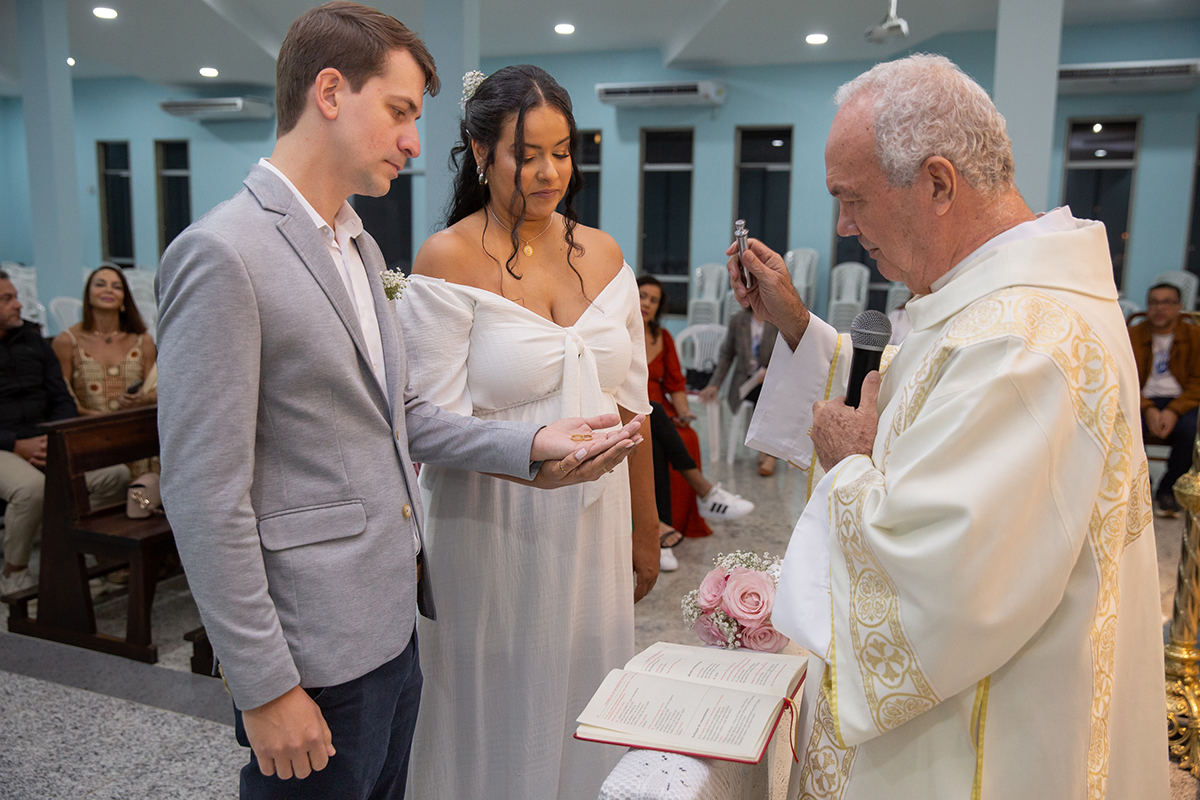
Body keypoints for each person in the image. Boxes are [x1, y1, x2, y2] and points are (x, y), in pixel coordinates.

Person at [156, 8, 641, 799]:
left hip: (392, 630)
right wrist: (265, 686)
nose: (415, 142)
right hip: (312, 646)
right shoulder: (223, 253)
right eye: (400, 111)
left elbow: (400, 418)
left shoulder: (357, 245)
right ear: (330, 93)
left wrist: (531, 446)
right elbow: (203, 495)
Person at [730, 55, 1167, 798]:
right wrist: (797, 325)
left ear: (937, 183)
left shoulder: (1025, 342)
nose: (843, 227)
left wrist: (848, 470)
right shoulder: (994, 302)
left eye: (853, 199)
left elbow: (942, 576)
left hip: (987, 744)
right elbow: (922, 393)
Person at [398, 64, 654, 800]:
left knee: (584, 693)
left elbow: (634, 405)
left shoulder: (604, 254)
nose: (550, 173)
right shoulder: (448, 258)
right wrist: (532, 459)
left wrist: (645, 528)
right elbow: (427, 427)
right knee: (495, 704)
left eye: (562, 152)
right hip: (490, 526)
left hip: (593, 523)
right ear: (482, 154)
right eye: (528, 154)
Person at [0, 270, 130, 597]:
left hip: (44, 439)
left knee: (115, 475)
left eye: (16, 296)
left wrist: (53, 437)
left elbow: (61, 397)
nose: (19, 305)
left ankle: (86, 556)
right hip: (5, 446)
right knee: (32, 489)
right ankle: (14, 574)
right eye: (7, 299)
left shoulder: (32, 340)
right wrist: (15, 444)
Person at [638, 275, 754, 548]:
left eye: (654, 300)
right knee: (653, 437)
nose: (647, 304)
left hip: (659, 406)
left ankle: (681, 519)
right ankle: (702, 495)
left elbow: (675, 383)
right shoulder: (618, 332)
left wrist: (683, 411)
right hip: (634, 405)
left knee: (688, 436)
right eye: (642, 296)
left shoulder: (663, 337)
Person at [1129, 281, 1200, 518]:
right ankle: (1141, 484)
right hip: (1141, 398)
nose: (1159, 308)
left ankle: (1169, 488)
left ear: (1179, 306)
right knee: (1125, 424)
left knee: (1191, 429)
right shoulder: (1132, 335)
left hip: (1181, 400)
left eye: (1167, 302)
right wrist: (1147, 408)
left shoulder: (1194, 336)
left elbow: (1197, 382)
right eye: (1153, 302)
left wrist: (1174, 410)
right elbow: (1122, 378)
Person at [52, 265, 157, 418]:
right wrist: (101, 421)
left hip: (134, 425)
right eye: (100, 285)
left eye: (116, 287)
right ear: (88, 295)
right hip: (85, 427)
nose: (108, 290)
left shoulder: (143, 340)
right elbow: (61, 398)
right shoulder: (67, 341)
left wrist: (143, 400)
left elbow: (156, 392)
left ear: (124, 298)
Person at [699, 306, 778, 475]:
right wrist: (715, 383)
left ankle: (768, 452)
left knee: (772, 397)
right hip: (744, 382)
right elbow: (727, 354)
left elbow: (786, 355)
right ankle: (765, 447)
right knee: (765, 397)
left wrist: (771, 372)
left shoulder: (777, 322)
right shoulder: (738, 321)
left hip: (770, 379)